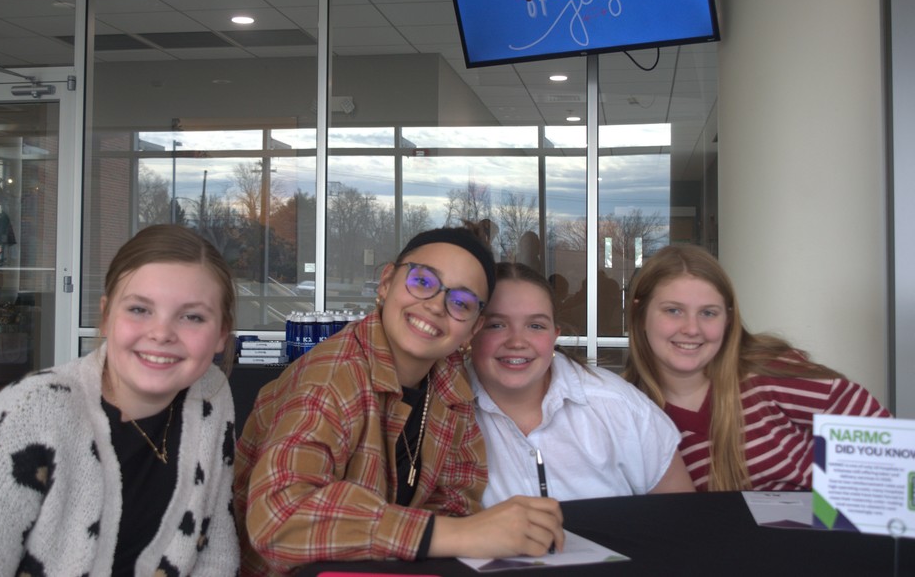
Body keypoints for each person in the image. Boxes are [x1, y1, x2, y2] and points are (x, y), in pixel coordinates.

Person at [0, 225, 240, 576]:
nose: (162, 333)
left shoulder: (210, 395)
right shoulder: (29, 415)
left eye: (192, 316)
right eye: (139, 309)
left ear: (221, 335)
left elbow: (215, 550)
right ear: (106, 317)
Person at [234, 227, 564, 577]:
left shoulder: (449, 382)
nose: (436, 305)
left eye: (461, 302)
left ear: (473, 328)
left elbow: (456, 494)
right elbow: (278, 517)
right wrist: (455, 534)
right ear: (387, 282)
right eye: (422, 282)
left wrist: (455, 530)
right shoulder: (333, 375)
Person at [623, 243, 891, 492]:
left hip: (818, 539)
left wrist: (836, 518)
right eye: (673, 310)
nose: (692, 329)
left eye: (708, 313)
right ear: (640, 315)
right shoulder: (623, 410)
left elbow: (883, 442)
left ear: (728, 319)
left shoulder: (769, 372)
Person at [468, 262, 693, 507]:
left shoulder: (617, 404)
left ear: (555, 334)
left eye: (536, 326)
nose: (517, 341)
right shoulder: (443, 409)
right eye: (496, 325)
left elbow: (682, 517)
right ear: (471, 331)